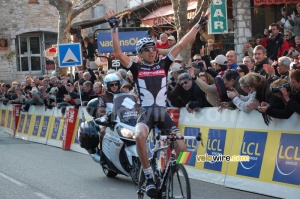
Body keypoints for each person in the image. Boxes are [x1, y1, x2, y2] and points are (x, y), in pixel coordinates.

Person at [105, 10, 209, 198]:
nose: (152, 52)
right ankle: (148, 176)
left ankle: (169, 170)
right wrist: (114, 28)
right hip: (146, 113)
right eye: (147, 50)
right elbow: (118, 53)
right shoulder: (136, 68)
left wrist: (197, 27)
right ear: (140, 54)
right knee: (139, 136)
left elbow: (180, 44)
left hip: (162, 113)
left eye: (153, 48)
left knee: (182, 148)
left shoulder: (163, 65)